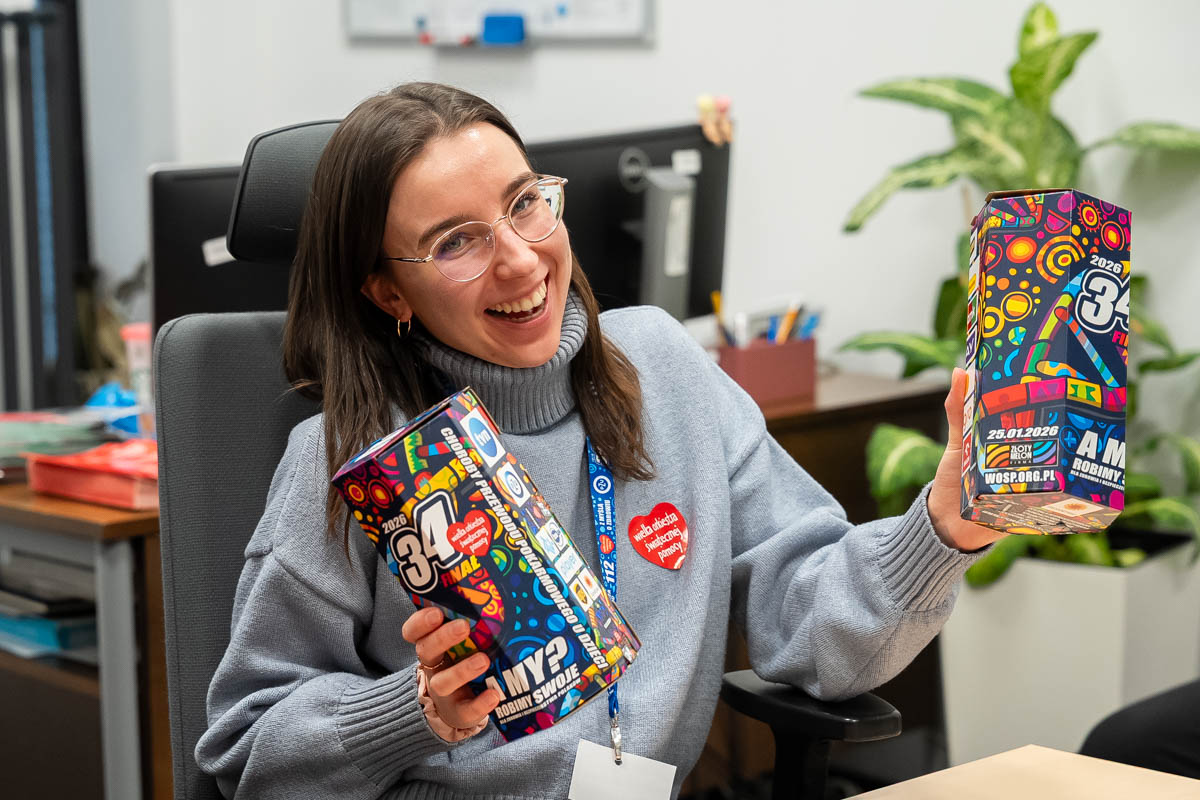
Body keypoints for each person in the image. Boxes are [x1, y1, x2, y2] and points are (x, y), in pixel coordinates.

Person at [195, 82, 1002, 800]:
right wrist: (413, 711)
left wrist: (940, 529)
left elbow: (817, 626)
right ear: (387, 290)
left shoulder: (665, 369)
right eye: (456, 242)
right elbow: (247, 752)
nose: (519, 260)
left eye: (524, 204)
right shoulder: (354, 457)